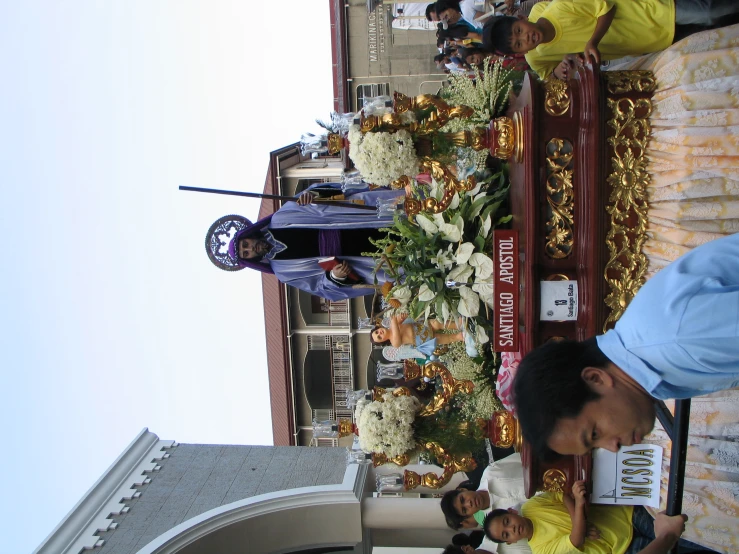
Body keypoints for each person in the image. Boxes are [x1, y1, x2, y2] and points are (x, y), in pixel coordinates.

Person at [512, 233, 739, 460]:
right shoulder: (649, 357)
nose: (613, 447)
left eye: (594, 433)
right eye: (596, 446)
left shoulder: (677, 341)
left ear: (595, 379)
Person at [225, 182, 404, 301]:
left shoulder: (280, 219)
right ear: (251, 259)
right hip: (360, 260)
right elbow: (321, 288)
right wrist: (334, 276)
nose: (250, 248)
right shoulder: (283, 272)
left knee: (405, 214)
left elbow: (323, 196)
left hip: (355, 220)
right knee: (405, 258)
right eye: (246, 253)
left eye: (245, 244)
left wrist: (312, 196)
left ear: (248, 235)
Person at [481, 0, 739, 79]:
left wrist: (592, 42)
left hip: (653, 10)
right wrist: (561, 71)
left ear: (520, 18)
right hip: (652, 43)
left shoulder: (559, 8)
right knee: (715, 32)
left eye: (518, 31)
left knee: (711, 12)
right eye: (518, 44)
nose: (525, 38)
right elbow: (550, 77)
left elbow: (606, 6)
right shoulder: (535, 56)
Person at [483, 481, 710, 554]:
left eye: (507, 522)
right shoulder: (541, 549)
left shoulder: (532, 505)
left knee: (698, 529)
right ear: (510, 542)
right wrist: (580, 507)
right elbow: (576, 540)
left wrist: (579, 518)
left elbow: (561, 493)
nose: (512, 529)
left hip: (627, 514)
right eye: (506, 534)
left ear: (512, 513)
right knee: (697, 548)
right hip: (625, 547)